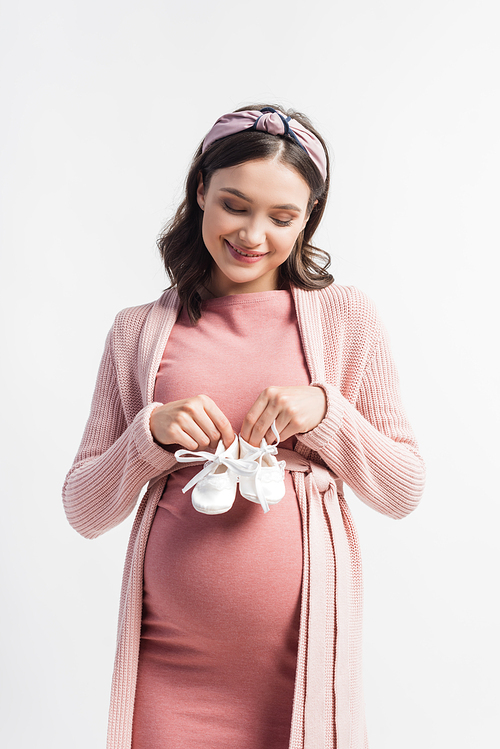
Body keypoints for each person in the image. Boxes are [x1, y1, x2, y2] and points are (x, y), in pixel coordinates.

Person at [62, 104, 425, 749]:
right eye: (234, 205)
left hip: (296, 671)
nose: (253, 235)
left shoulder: (346, 321)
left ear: (307, 220)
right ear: (200, 190)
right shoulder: (136, 333)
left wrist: (328, 416)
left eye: (282, 218)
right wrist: (148, 436)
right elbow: (83, 509)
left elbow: (403, 490)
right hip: (169, 668)